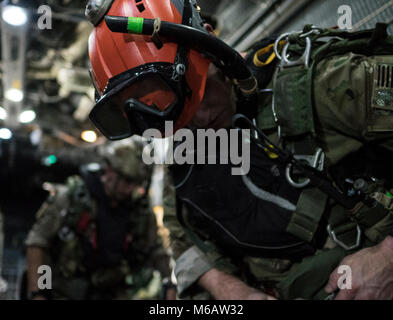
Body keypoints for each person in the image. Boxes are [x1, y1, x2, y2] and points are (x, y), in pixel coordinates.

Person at [86, 0, 393, 300]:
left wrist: (386, 260)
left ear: (208, 40)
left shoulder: (321, 84)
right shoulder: (184, 157)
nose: (200, 123)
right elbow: (181, 238)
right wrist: (235, 291)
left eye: (202, 96)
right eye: (178, 118)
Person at [25, 140, 171, 300]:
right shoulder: (70, 198)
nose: (130, 189)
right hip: (66, 291)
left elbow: (156, 251)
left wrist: (170, 283)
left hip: (113, 291)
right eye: (127, 181)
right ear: (109, 171)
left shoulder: (138, 210)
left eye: (135, 184)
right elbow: (38, 244)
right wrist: (40, 292)